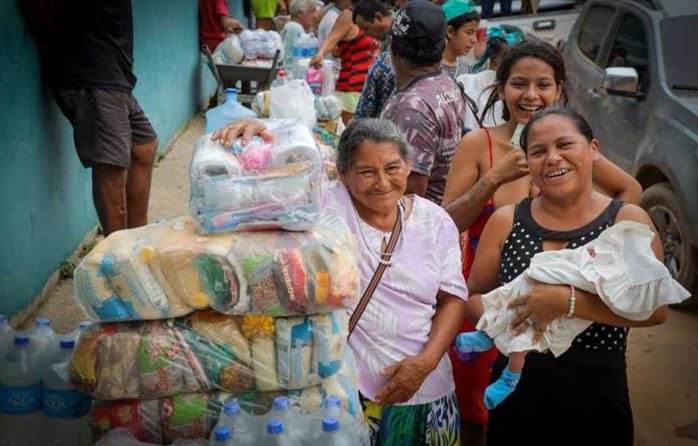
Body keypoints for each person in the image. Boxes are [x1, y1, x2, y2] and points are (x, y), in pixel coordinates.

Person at [212, 117, 469, 445]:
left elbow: (453, 298)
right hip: (343, 393)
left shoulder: (434, 221)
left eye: (392, 167)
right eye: (366, 172)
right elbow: (265, 178)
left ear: (408, 166)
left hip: (426, 389)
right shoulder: (324, 209)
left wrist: (427, 362)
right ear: (344, 174)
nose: (381, 182)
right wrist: (257, 130)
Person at [440, 39, 642, 446]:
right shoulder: (478, 143)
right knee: (480, 402)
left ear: (559, 88)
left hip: (560, 293)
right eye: (518, 83)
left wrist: (591, 239)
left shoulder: (566, 144)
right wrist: (494, 178)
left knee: (560, 393)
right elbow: (445, 224)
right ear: (500, 88)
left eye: (543, 85)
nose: (531, 95)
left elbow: (630, 191)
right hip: (489, 294)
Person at [462, 107, 669, 445]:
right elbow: (473, 297)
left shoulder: (627, 222)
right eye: (539, 151)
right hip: (515, 393)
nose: (552, 158)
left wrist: (567, 303)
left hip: (597, 396)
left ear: (594, 149)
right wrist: (508, 320)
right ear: (527, 162)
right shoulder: (507, 220)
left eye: (565, 145)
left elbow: (656, 310)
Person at [25, 0, 159, 237]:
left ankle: (139, 242)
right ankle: (118, 258)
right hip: (91, 70)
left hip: (115, 72)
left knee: (143, 147)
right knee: (112, 164)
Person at [380, 0, 467, 204]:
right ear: (444, 44)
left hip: (422, 226)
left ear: (392, 47)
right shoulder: (448, 84)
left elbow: (410, 194)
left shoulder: (411, 106)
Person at [309, 1, 379, 124]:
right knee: (352, 136)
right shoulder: (348, 15)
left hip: (367, 88)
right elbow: (332, 39)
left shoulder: (373, 16)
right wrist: (320, 54)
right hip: (351, 89)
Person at [457, 25, 523, 130]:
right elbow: (521, 127)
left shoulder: (464, 81)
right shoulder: (519, 89)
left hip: (468, 143)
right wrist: (513, 145)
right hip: (503, 145)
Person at [353, 0, 395, 119]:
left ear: (378, 17)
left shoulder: (400, 35)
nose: (367, 35)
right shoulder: (389, 38)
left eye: (366, 28)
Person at [440, 0, 480, 80]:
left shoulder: (468, 68)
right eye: (469, 33)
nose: (474, 40)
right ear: (450, 31)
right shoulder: (431, 69)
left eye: (475, 33)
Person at [280, 0, 320, 67]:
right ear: (300, 14)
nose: (315, 16)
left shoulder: (292, 26)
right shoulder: (295, 28)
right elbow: (293, 61)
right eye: (312, 11)